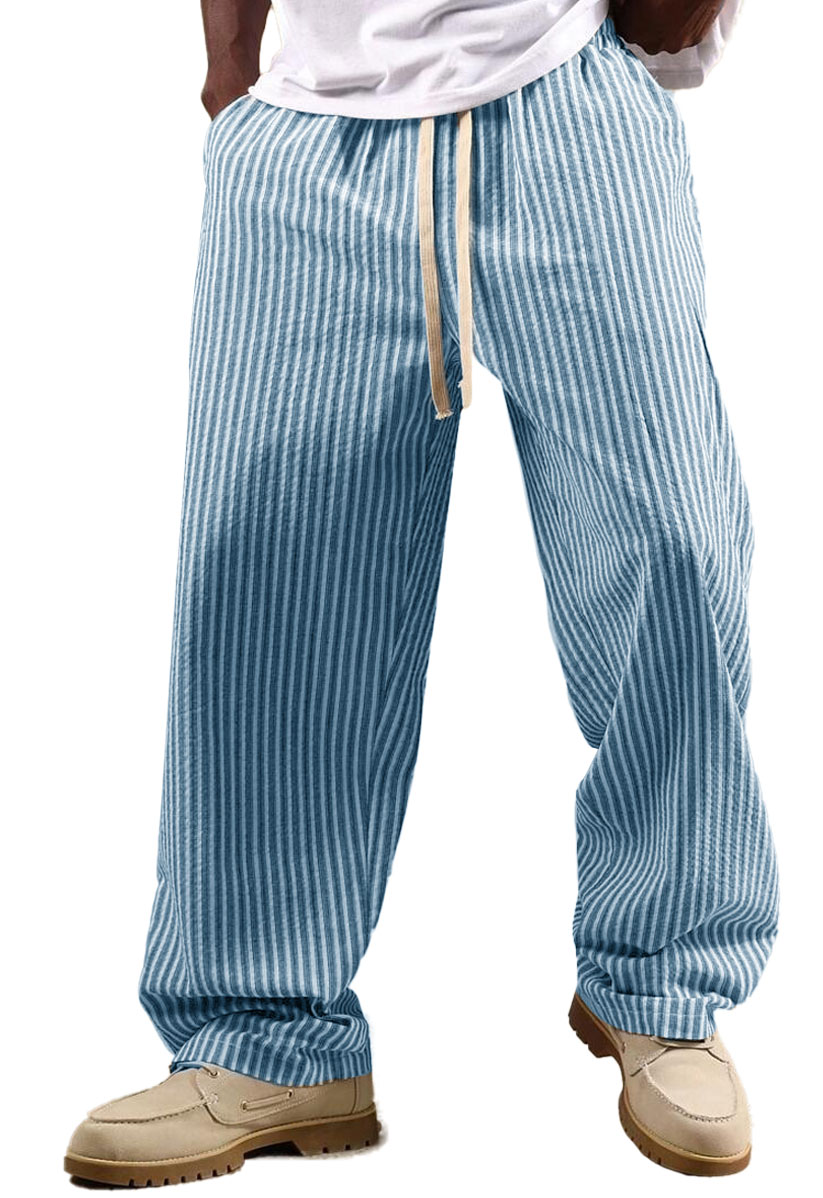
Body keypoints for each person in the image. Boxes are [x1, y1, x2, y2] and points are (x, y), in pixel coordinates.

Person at [64, 0, 779, 1183]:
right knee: (269, 582)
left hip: (565, 103)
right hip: (308, 132)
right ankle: (266, 1033)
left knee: (674, 544)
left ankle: (664, 983)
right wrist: (230, 74)